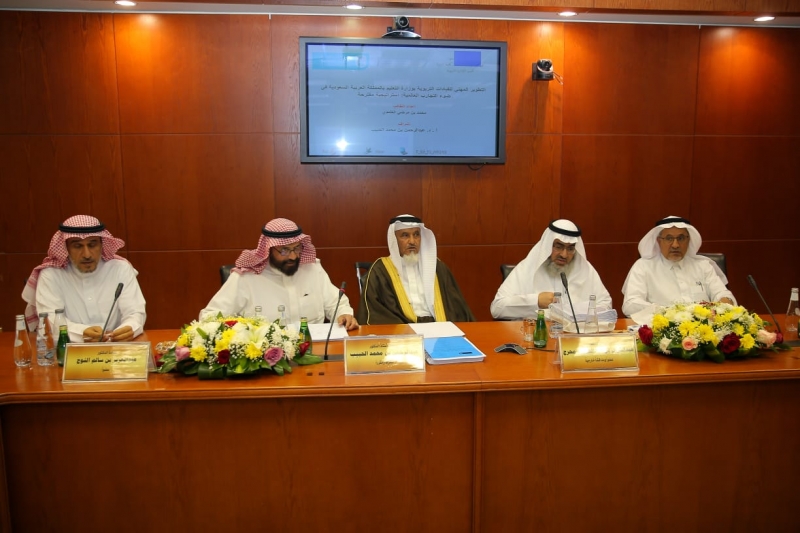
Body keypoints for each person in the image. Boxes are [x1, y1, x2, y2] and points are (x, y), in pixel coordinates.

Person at [201, 218, 358, 330]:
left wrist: (344, 314)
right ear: (268, 249)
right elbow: (209, 317)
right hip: (265, 357)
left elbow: (336, 303)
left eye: (297, 248)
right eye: (284, 250)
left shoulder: (312, 269)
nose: (293, 256)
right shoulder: (245, 278)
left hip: (314, 351)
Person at [22, 215, 147, 342]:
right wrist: (81, 332)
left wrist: (130, 328)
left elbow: (135, 312)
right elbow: (50, 319)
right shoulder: (51, 274)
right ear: (66, 247)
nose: (87, 254)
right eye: (77, 246)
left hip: (116, 346)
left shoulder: (120, 268)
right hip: (70, 347)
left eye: (92, 245)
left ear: (101, 244)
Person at [357, 215, 475, 325]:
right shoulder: (380, 270)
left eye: (416, 234)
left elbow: (456, 306)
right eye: (405, 235)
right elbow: (375, 311)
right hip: (402, 329)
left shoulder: (437, 267)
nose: (412, 241)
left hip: (438, 326)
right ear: (394, 240)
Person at [490, 219, 612, 320]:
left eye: (570, 249)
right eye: (558, 247)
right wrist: (536, 301)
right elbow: (497, 308)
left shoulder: (585, 270)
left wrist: (580, 311)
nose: (564, 255)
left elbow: (606, 305)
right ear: (548, 245)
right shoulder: (526, 268)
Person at [622, 216, 735, 317]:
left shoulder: (703, 265)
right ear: (659, 241)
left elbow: (722, 293)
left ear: (688, 240)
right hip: (661, 328)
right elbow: (630, 304)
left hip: (704, 329)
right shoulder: (643, 267)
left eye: (681, 238)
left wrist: (724, 301)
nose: (675, 245)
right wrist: (667, 312)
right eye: (669, 238)